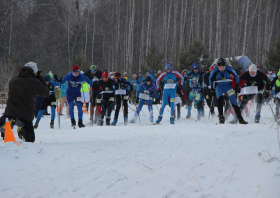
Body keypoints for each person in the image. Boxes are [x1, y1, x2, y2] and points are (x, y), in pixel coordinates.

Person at [0, 62, 49, 142]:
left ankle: (6, 128)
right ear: (34, 72)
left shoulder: (13, 79)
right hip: (25, 114)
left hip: (10, 111)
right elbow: (45, 93)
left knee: (7, 126)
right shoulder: (34, 82)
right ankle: (20, 129)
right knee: (30, 139)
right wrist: (40, 78)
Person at [209, 58, 247, 124]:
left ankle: (240, 118)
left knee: (234, 101)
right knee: (220, 100)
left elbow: (235, 75)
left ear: (225, 65)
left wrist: (237, 85)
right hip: (219, 86)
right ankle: (221, 117)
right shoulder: (215, 70)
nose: (221, 68)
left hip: (227, 86)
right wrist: (212, 88)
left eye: (223, 67)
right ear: (218, 66)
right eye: (220, 67)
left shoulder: (229, 68)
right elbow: (210, 78)